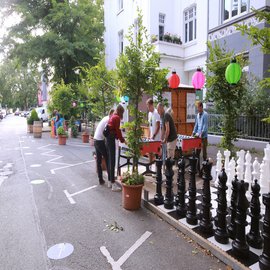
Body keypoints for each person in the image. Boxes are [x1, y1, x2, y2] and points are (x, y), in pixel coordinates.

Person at [106, 104, 125, 191]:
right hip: (110, 139)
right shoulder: (116, 118)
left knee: (110, 160)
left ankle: (110, 181)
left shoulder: (113, 116)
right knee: (112, 160)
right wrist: (122, 140)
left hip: (108, 139)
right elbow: (118, 130)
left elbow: (114, 130)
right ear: (121, 112)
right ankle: (113, 184)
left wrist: (119, 138)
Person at [93, 109, 114, 185]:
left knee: (98, 161)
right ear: (111, 114)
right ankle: (110, 180)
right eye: (114, 114)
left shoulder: (105, 118)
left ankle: (100, 179)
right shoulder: (108, 120)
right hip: (99, 141)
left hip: (96, 139)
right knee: (107, 158)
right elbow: (106, 132)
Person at [192, 101, 208, 173]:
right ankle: (197, 169)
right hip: (198, 136)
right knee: (197, 153)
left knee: (204, 153)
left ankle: (205, 168)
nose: (197, 109)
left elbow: (205, 126)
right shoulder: (198, 115)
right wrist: (193, 132)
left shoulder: (205, 114)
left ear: (201, 107)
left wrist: (202, 133)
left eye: (198, 107)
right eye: (197, 108)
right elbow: (196, 125)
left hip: (203, 137)